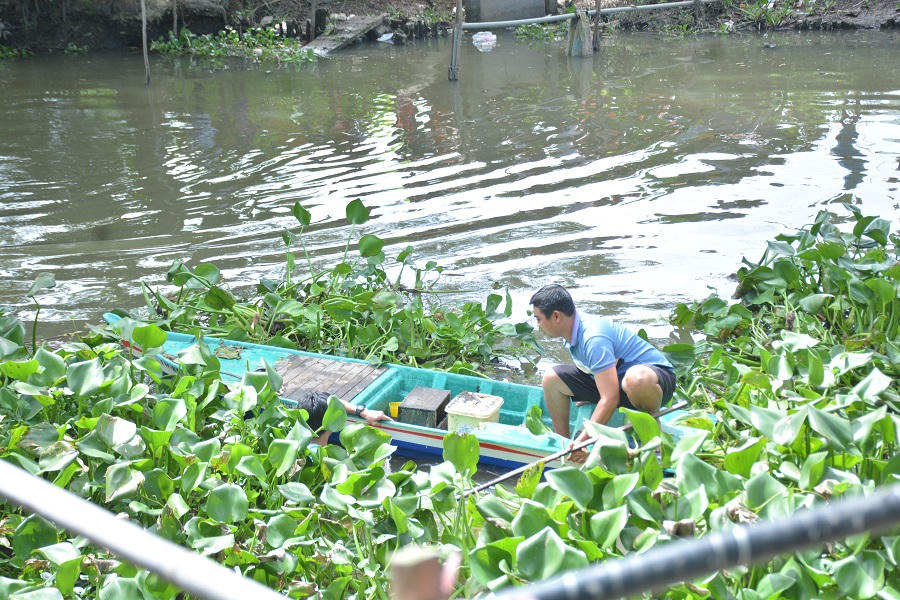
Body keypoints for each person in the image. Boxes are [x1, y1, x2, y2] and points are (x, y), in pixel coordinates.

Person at [529, 285, 676, 449]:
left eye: (539, 319)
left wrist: (584, 439)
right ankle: (565, 444)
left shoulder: (593, 337)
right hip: (618, 382)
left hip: (653, 382)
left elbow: (610, 397)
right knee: (551, 378)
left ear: (556, 316)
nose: (538, 325)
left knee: (636, 379)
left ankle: (653, 435)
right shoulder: (571, 328)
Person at [296, 391, 391, 446]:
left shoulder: (295, 440)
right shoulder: (319, 461)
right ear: (331, 420)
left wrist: (362, 411)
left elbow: (334, 402)